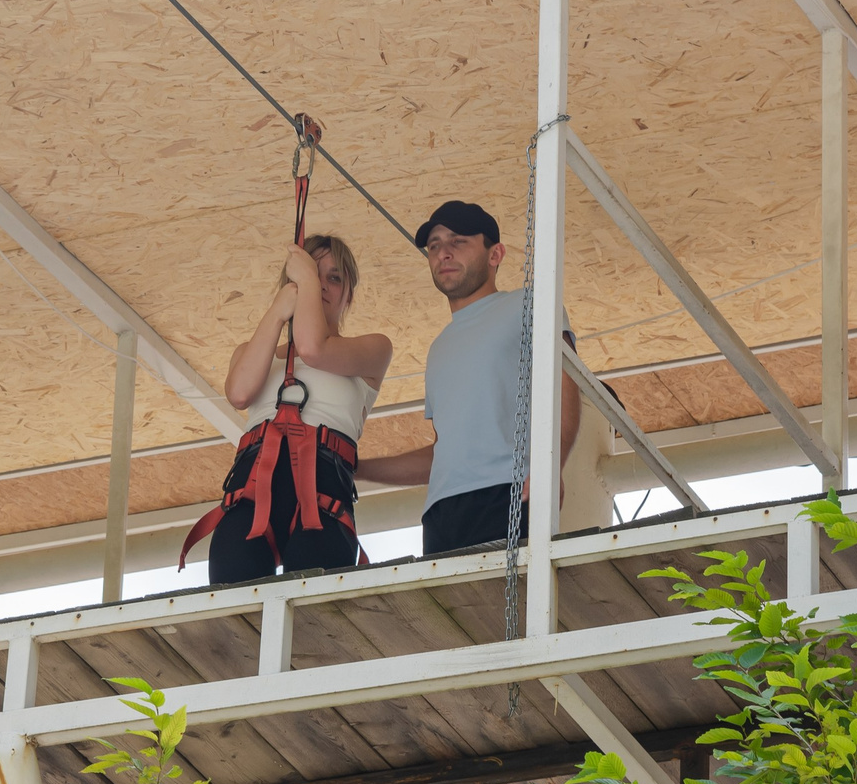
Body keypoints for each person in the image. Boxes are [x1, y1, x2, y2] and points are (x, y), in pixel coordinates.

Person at [358, 201, 582, 554]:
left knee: (512, 607)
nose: (443, 253)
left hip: (507, 490)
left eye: (458, 241)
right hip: (440, 513)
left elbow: (565, 386)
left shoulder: (528, 302)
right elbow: (442, 453)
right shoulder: (437, 348)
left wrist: (551, 466)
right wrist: (356, 468)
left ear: (496, 255)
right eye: (434, 246)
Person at [189, 235, 392, 582]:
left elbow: (313, 348)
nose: (322, 285)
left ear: (349, 296)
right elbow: (239, 393)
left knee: (313, 614)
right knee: (232, 596)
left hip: (324, 494)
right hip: (251, 492)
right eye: (314, 273)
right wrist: (279, 311)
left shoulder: (372, 350)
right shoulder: (254, 352)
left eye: (334, 278)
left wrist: (306, 281)